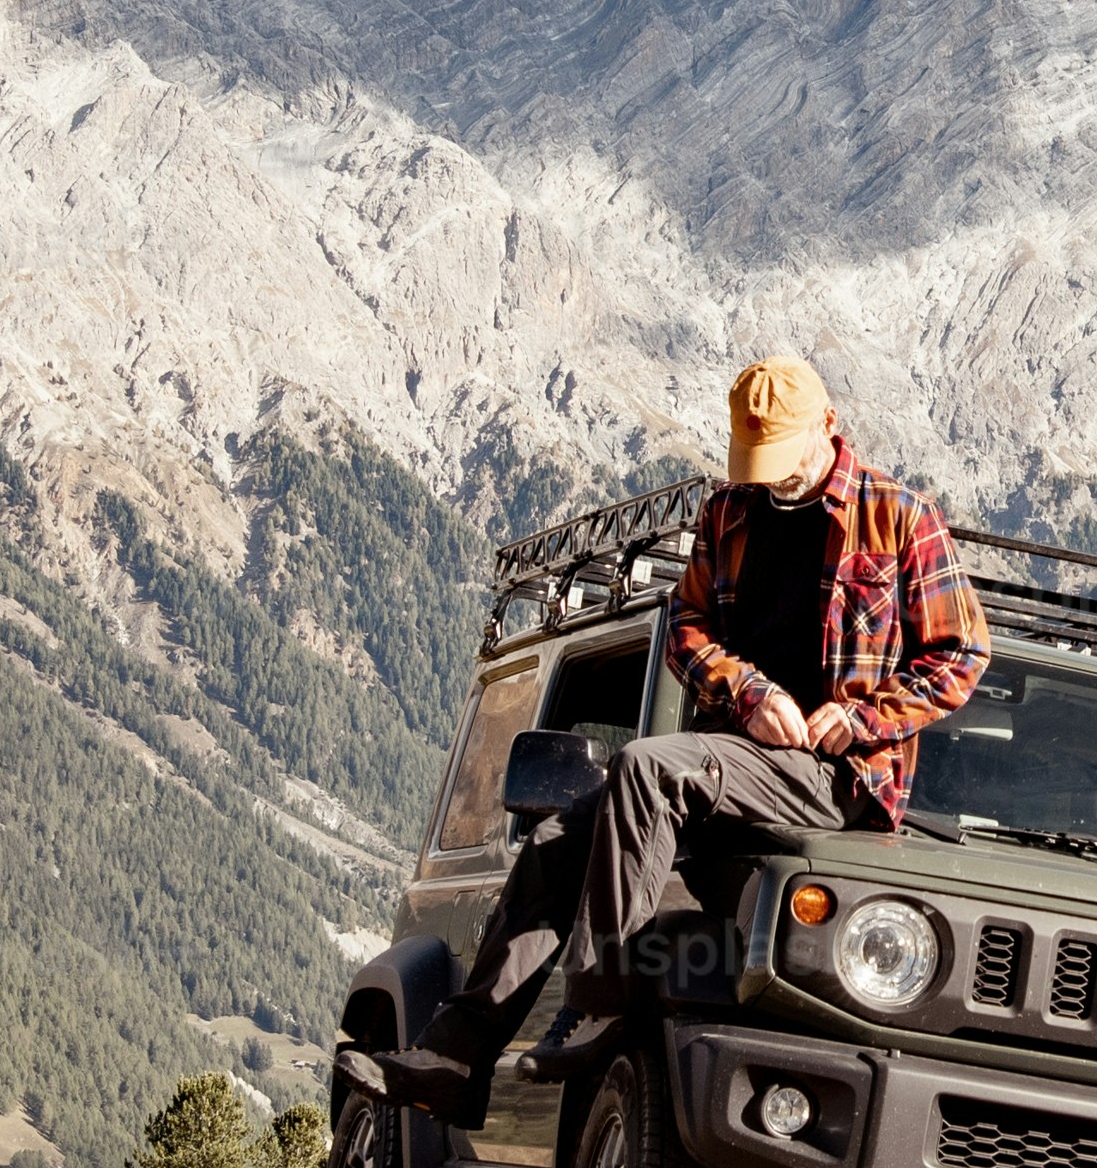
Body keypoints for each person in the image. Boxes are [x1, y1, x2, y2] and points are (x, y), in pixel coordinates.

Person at [412, 354, 987, 1090]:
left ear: (830, 427)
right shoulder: (729, 511)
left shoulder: (899, 515)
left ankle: (599, 1005)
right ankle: (455, 1058)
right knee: (559, 840)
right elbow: (685, 626)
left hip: (838, 776)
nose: (769, 474)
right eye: (757, 458)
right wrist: (748, 693)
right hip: (741, 758)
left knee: (649, 768)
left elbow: (963, 652)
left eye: (782, 455)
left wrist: (865, 716)